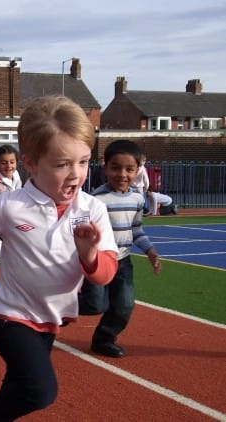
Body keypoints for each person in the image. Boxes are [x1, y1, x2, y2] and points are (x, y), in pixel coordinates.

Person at [0, 95, 119, 421]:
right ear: (29, 162)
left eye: (84, 162)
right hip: (9, 316)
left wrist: (89, 256)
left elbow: (106, 274)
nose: (75, 174)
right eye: (62, 164)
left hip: (51, 320)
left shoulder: (92, 209)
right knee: (40, 390)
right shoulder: (10, 205)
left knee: (18, 386)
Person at [79, 139, 162, 358]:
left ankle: (104, 339)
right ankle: (57, 306)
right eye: (115, 168)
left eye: (129, 169)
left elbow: (136, 229)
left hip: (123, 261)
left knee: (124, 305)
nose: (122, 174)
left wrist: (150, 251)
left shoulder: (137, 198)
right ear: (105, 168)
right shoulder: (96, 200)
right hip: (99, 259)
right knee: (95, 304)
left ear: (138, 170)